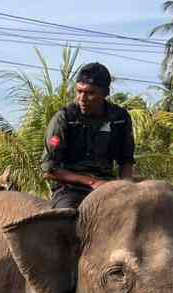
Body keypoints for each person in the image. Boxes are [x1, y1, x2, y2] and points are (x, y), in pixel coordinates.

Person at [41, 61, 135, 211]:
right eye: (79, 91)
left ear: (105, 93)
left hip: (108, 187)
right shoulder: (64, 118)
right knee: (66, 218)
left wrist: (126, 188)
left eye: (90, 93)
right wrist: (92, 182)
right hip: (70, 190)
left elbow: (126, 161)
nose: (82, 98)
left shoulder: (120, 118)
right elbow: (49, 170)